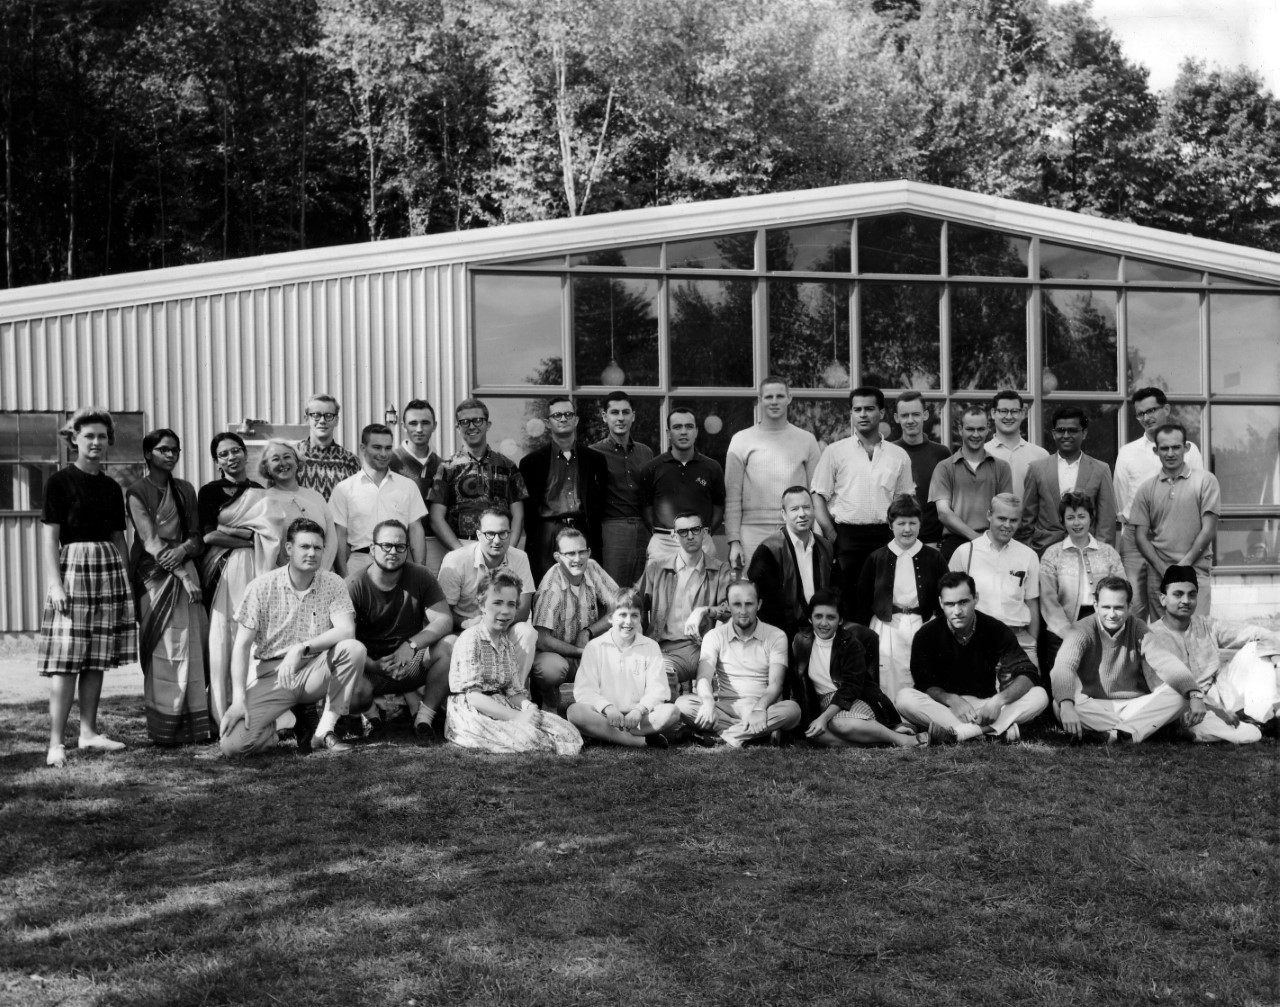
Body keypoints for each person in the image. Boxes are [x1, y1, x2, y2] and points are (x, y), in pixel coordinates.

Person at [38, 408, 138, 768]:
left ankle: (89, 733)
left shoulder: (112, 487)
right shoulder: (60, 482)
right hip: (74, 570)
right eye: (88, 436)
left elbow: (118, 538)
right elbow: (50, 538)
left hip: (108, 569)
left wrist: (125, 581)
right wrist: (56, 584)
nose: (95, 442)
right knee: (67, 660)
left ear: (108, 440)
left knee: (96, 657)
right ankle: (55, 743)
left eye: (101, 436)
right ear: (74, 439)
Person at [219, 517, 367, 757]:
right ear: (289, 549)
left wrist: (302, 647)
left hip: (314, 670)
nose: (312, 553)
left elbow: (346, 630)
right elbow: (241, 646)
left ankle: (324, 731)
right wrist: (238, 700)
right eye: (304, 546)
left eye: (317, 548)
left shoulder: (333, 582)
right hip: (273, 674)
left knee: (354, 648)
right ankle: (282, 722)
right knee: (233, 747)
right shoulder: (261, 587)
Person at [125, 428, 211, 745]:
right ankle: (164, 728)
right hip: (154, 576)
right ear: (148, 454)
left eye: (175, 450)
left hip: (183, 564)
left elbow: (197, 536)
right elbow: (149, 540)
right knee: (163, 648)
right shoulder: (136, 491)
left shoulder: (186, 489)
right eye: (163, 450)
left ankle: (195, 726)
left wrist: (183, 552)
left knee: (191, 644)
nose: (171, 455)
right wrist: (185, 576)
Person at [897, 572, 1048, 744]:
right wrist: (950, 699)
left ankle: (960, 734)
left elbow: (1028, 672)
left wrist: (999, 701)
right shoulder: (926, 634)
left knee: (1039, 695)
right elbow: (924, 683)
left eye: (963, 602)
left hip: (985, 706)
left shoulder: (995, 629)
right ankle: (993, 732)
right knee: (904, 698)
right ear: (940, 603)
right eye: (950, 604)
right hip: (946, 707)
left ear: (975, 598)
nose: (957, 611)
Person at [445, 569, 583, 755]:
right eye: (497, 603)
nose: (505, 611)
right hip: (473, 711)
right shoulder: (471, 639)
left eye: (511, 605)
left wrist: (527, 707)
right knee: (530, 737)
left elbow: (512, 690)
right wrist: (517, 716)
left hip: (501, 703)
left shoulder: (506, 643)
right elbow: (473, 696)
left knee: (566, 730)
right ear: (482, 605)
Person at [199, 432, 284, 724]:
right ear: (216, 461)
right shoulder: (209, 491)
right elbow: (209, 534)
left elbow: (270, 534)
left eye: (236, 451)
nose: (231, 457)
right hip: (225, 569)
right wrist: (249, 539)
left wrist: (237, 534)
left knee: (256, 633)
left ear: (245, 454)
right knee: (226, 631)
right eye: (224, 454)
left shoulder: (259, 491)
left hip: (258, 569)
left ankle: (258, 708)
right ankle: (222, 710)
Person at [347, 519, 454, 744]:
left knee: (450, 644)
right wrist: (373, 665)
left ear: (407, 549)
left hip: (409, 663)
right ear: (372, 549)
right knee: (346, 666)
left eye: (400, 546)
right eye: (386, 545)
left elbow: (444, 620)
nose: (393, 552)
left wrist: (411, 645)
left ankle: (424, 718)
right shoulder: (354, 585)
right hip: (369, 667)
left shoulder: (420, 575)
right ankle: (371, 718)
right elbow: (346, 640)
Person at [1140, 566, 1275, 743]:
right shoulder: (1151, 636)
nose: (1186, 601)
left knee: (1255, 649)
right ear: (1163, 599)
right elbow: (1162, 691)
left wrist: (1275, 656)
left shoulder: (1206, 625)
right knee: (1248, 734)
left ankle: (1259, 718)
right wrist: (1214, 710)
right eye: (1178, 594)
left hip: (1221, 695)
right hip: (1185, 706)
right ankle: (1253, 727)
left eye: (1192, 595)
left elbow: (1259, 633)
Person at [811, 386, 914, 617]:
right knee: (847, 605)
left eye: (869, 409)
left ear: (882, 413)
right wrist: (831, 534)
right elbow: (817, 496)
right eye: (857, 409)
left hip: (884, 536)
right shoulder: (835, 452)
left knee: (883, 604)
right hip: (845, 537)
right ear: (851, 414)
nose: (863, 414)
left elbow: (904, 502)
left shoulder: (898, 456)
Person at [1050, 576, 1188, 743]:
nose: (1112, 614)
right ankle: (1137, 731)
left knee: (1181, 693)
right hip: (1092, 706)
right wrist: (1066, 705)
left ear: (1129, 607)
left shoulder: (1138, 628)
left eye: (1118, 608)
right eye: (1106, 607)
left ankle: (1115, 735)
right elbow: (1063, 667)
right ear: (1096, 606)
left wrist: (1194, 694)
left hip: (1133, 705)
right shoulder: (1081, 629)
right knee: (1060, 704)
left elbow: (1165, 661)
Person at [791, 590, 927, 749]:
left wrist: (824, 718)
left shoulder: (851, 644)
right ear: (810, 618)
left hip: (852, 699)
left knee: (838, 724)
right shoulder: (801, 641)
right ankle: (882, 743)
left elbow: (850, 689)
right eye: (818, 616)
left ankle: (902, 740)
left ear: (840, 620)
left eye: (831, 617)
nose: (824, 623)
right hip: (822, 702)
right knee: (816, 735)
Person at [1113, 387, 1204, 619]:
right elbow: (1121, 497)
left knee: (1170, 601)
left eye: (1151, 410)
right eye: (1140, 413)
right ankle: (1139, 654)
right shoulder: (1127, 453)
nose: (1146, 417)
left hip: (1173, 537)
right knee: (1134, 604)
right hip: (1135, 537)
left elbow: (1197, 493)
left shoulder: (1190, 451)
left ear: (1166, 409)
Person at [676, 579, 801, 747]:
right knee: (682, 704)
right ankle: (757, 734)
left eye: (749, 604)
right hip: (726, 709)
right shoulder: (714, 636)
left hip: (761, 707)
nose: (743, 611)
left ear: (759, 604)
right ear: (727, 605)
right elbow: (703, 677)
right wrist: (707, 702)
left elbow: (776, 684)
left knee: (793, 710)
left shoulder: (776, 636)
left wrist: (759, 709)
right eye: (737, 604)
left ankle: (725, 736)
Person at [724, 375, 822, 571]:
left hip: (797, 528)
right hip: (752, 532)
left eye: (779, 396)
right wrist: (734, 541)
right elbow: (732, 497)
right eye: (768, 397)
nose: (774, 401)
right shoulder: (741, 440)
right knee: (753, 590)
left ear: (789, 398)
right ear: (760, 400)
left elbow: (816, 494)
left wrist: (817, 536)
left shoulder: (807, 440)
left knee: (796, 591)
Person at [854, 494, 947, 699]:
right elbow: (863, 599)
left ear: (920, 524)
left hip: (922, 623)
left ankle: (920, 717)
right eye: (901, 523)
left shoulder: (934, 557)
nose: (907, 529)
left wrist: (937, 623)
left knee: (919, 671)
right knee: (887, 674)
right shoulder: (876, 558)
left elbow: (945, 595)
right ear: (890, 525)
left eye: (912, 523)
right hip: (887, 626)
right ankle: (892, 719)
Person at [565, 588, 681, 749]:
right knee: (574, 712)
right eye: (622, 615)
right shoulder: (595, 647)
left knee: (672, 712)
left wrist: (639, 710)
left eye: (634, 615)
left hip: (638, 719)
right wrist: (608, 708)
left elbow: (658, 689)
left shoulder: (650, 646)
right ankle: (635, 741)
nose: (628, 622)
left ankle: (607, 736)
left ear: (640, 618)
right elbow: (584, 690)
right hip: (605, 716)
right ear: (611, 618)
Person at [637, 510, 735, 698]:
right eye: (683, 532)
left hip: (705, 648)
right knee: (661, 678)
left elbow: (732, 608)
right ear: (674, 536)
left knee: (724, 680)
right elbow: (636, 603)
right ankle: (673, 725)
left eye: (695, 530)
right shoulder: (657, 568)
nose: (690, 536)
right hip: (666, 649)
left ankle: (707, 722)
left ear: (705, 532)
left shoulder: (720, 569)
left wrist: (705, 611)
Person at [1130, 423, 1220, 618]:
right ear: (1156, 451)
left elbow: (1209, 530)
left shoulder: (1205, 481)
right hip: (1159, 574)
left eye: (1176, 447)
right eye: (1164, 448)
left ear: (1186, 448)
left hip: (1195, 570)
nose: (1170, 453)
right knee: (1162, 638)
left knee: (1197, 635)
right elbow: (1140, 537)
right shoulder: (1146, 489)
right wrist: (1164, 570)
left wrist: (1182, 567)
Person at [518, 395, 608, 582]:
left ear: (576, 420)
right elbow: (527, 509)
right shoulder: (531, 463)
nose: (563, 419)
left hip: (583, 531)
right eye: (557, 415)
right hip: (546, 534)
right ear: (548, 423)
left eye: (568, 414)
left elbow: (599, 503)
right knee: (545, 591)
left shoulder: (595, 460)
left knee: (585, 590)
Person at [530, 527, 618, 712]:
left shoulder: (592, 567)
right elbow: (543, 639)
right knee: (549, 669)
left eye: (581, 552)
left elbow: (621, 605)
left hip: (590, 652)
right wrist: (580, 651)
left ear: (588, 552)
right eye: (570, 554)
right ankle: (550, 699)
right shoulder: (550, 588)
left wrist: (589, 631)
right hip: (561, 656)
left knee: (628, 632)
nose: (577, 559)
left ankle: (612, 705)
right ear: (557, 556)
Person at [949, 493, 1041, 667]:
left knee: (1030, 693)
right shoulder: (965, 552)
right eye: (1002, 518)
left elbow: (1032, 603)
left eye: (1013, 520)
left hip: (1019, 641)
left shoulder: (1028, 556)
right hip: (976, 640)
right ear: (989, 515)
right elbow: (950, 603)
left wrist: (1032, 642)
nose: (1007, 525)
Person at [437, 507, 537, 664]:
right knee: (450, 643)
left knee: (527, 633)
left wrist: (492, 624)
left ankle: (515, 686)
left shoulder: (520, 557)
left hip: (505, 626)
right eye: (490, 534)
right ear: (478, 535)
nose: (497, 541)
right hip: (466, 629)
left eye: (503, 533)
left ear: (510, 534)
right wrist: (468, 624)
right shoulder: (455, 560)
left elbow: (523, 610)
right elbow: (442, 613)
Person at [1038, 491, 1125, 672]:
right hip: (1062, 624)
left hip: (1102, 622)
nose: (1076, 523)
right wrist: (1066, 631)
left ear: (1091, 518)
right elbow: (1048, 600)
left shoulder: (1108, 553)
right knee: (1063, 678)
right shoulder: (1052, 554)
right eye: (1070, 517)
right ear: (1062, 521)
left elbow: (1122, 592)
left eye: (1081, 516)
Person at [429, 396, 528, 550]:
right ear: (457, 427)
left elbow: (518, 515)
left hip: (500, 545)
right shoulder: (447, 468)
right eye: (465, 422)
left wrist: (508, 550)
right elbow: (436, 517)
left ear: (488, 425)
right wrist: (460, 552)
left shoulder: (508, 466)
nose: (472, 426)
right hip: (462, 546)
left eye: (478, 420)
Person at [329, 423, 427, 577]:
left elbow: (416, 530)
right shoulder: (344, 489)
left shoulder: (407, 486)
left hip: (398, 563)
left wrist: (420, 572)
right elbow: (339, 535)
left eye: (388, 448)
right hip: (359, 564)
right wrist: (343, 576)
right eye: (377, 447)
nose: (383, 453)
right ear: (362, 448)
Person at [1019, 406, 1117, 553]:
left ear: (1083, 433)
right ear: (1053, 434)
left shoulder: (1100, 469)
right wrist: (1028, 553)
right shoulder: (1036, 469)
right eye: (1060, 430)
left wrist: (1100, 556)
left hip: (1087, 551)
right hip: (1044, 550)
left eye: (1072, 430)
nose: (1065, 435)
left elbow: (1106, 524)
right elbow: (1027, 520)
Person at [745, 485, 836, 640]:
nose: (802, 514)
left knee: (866, 637)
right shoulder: (768, 550)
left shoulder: (825, 547)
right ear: (784, 514)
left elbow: (835, 591)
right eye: (794, 509)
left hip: (823, 625)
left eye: (806, 507)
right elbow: (767, 606)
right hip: (784, 631)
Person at [639, 407, 725, 564]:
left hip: (701, 543)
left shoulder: (712, 467)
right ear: (668, 433)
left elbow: (719, 507)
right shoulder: (652, 468)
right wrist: (665, 533)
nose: (684, 432)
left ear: (697, 431)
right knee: (661, 589)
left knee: (704, 588)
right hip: (664, 544)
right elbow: (646, 509)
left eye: (689, 426)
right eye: (677, 427)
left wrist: (700, 533)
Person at [929, 406, 1013, 562]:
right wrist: (976, 538)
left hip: (994, 543)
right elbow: (943, 513)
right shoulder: (945, 467)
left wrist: (987, 541)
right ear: (960, 430)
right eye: (970, 429)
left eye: (980, 429)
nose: (976, 434)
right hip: (955, 543)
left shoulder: (1001, 467)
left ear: (988, 429)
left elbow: (1006, 510)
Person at [589, 390, 655, 588]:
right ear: (604, 417)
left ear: (633, 416)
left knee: (642, 591)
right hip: (612, 529)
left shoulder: (646, 452)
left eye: (625, 412)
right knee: (613, 591)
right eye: (614, 412)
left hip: (644, 529)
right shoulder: (594, 453)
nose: (620, 418)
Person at [388, 398, 447, 575]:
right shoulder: (390, 461)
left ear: (434, 425)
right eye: (413, 423)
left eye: (425, 423)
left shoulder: (443, 465)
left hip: (436, 544)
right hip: (397, 543)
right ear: (403, 425)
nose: (419, 429)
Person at [259, 438, 337, 571]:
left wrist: (321, 570)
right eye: (275, 459)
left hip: (322, 575)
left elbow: (331, 540)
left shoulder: (316, 497)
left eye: (287, 457)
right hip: (281, 578)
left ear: (297, 462)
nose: (283, 463)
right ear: (267, 468)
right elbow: (264, 550)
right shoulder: (263, 500)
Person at [891, 391, 951, 550]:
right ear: (897, 418)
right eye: (904, 415)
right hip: (896, 543)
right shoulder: (888, 452)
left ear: (925, 415)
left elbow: (949, 502)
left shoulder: (942, 453)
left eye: (916, 414)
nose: (910, 420)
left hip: (933, 543)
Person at [293, 393, 360, 501]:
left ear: (336, 420)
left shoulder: (350, 461)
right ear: (306, 419)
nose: (322, 421)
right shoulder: (292, 455)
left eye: (328, 415)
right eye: (316, 415)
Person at [984, 389, 1048, 494]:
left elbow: (1046, 499)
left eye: (1014, 411)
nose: (1009, 417)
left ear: (1022, 413)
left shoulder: (1040, 455)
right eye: (1003, 411)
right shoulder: (981, 453)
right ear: (993, 413)